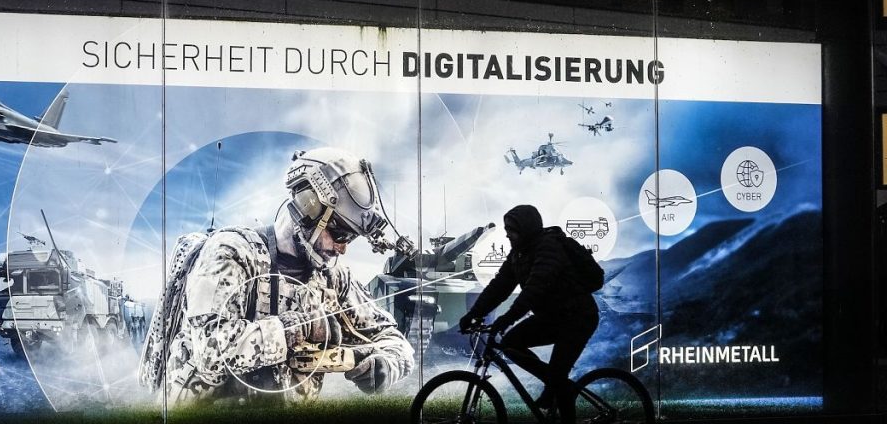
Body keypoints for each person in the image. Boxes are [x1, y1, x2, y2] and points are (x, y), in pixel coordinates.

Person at [138, 147, 415, 404]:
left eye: (350, 239)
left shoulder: (332, 278)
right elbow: (210, 352)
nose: (342, 248)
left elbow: (392, 338)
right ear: (309, 209)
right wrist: (299, 328)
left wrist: (387, 363)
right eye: (340, 233)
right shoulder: (231, 252)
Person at [458, 204, 599, 424]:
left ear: (526, 229)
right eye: (507, 229)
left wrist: (506, 319)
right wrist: (474, 314)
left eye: (511, 229)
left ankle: (557, 387)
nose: (507, 234)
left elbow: (535, 289)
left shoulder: (549, 247)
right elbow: (499, 287)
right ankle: (555, 385)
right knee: (511, 343)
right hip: (552, 317)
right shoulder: (519, 254)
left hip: (577, 317)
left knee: (558, 378)